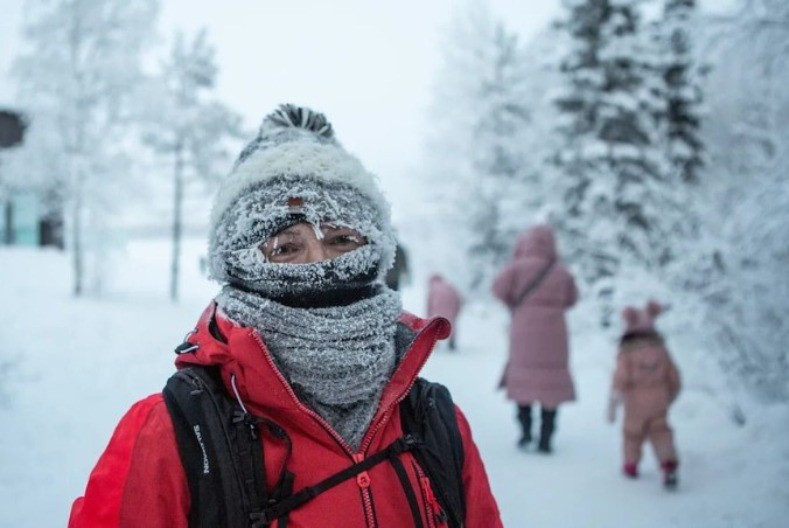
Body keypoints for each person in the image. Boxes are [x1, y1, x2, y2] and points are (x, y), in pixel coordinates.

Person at [68, 104, 501, 527]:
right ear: (238, 265)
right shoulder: (173, 434)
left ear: (376, 253)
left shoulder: (435, 422)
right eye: (286, 248)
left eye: (343, 240)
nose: (321, 264)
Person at [491, 225, 577, 453]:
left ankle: (526, 432)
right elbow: (572, 298)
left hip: (523, 328)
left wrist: (515, 302)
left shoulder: (517, 267)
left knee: (523, 380)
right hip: (555, 333)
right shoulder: (561, 271)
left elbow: (497, 289)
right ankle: (546, 438)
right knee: (551, 384)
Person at [607, 300, 681, 489]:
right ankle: (668, 464)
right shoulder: (661, 349)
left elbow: (621, 377)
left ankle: (631, 465)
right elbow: (674, 375)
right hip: (659, 399)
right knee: (661, 432)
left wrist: (614, 402)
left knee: (632, 434)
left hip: (635, 402)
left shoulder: (627, 352)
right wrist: (671, 395)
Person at [426, 274, 463, 351]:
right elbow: (458, 299)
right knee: (451, 323)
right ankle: (452, 342)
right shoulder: (449, 286)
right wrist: (457, 311)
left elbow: (429, 303)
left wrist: (428, 316)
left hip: (438, 307)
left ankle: (435, 342)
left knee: (436, 324)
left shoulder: (433, 288)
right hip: (451, 306)